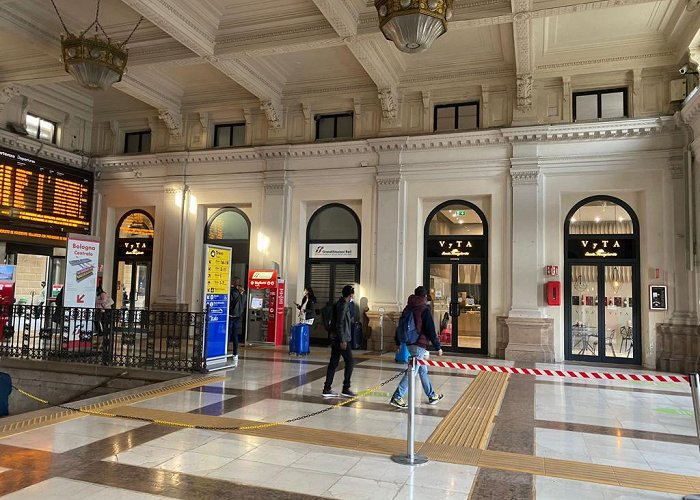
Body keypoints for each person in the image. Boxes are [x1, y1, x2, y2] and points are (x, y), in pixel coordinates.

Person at [390, 286, 444, 409]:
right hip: (419, 344)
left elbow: (400, 327)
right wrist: (438, 347)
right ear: (425, 296)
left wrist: (398, 342)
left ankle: (432, 395)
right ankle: (397, 397)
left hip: (409, 343)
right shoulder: (424, 309)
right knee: (412, 371)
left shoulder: (408, 308)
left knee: (422, 370)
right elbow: (430, 330)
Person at [322, 285, 356, 398]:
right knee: (350, 361)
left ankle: (327, 388)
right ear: (350, 294)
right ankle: (346, 388)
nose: (353, 296)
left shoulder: (339, 303)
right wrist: (342, 339)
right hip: (341, 339)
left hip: (335, 338)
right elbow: (340, 323)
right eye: (352, 293)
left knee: (333, 363)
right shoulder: (344, 305)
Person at [229, 277, 245, 361]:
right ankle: (235, 353)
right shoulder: (242, 293)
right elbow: (243, 304)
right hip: (237, 315)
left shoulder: (233, 292)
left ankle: (227, 352)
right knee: (234, 335)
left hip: (232, 315)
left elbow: (231, 302)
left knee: (229, 334)